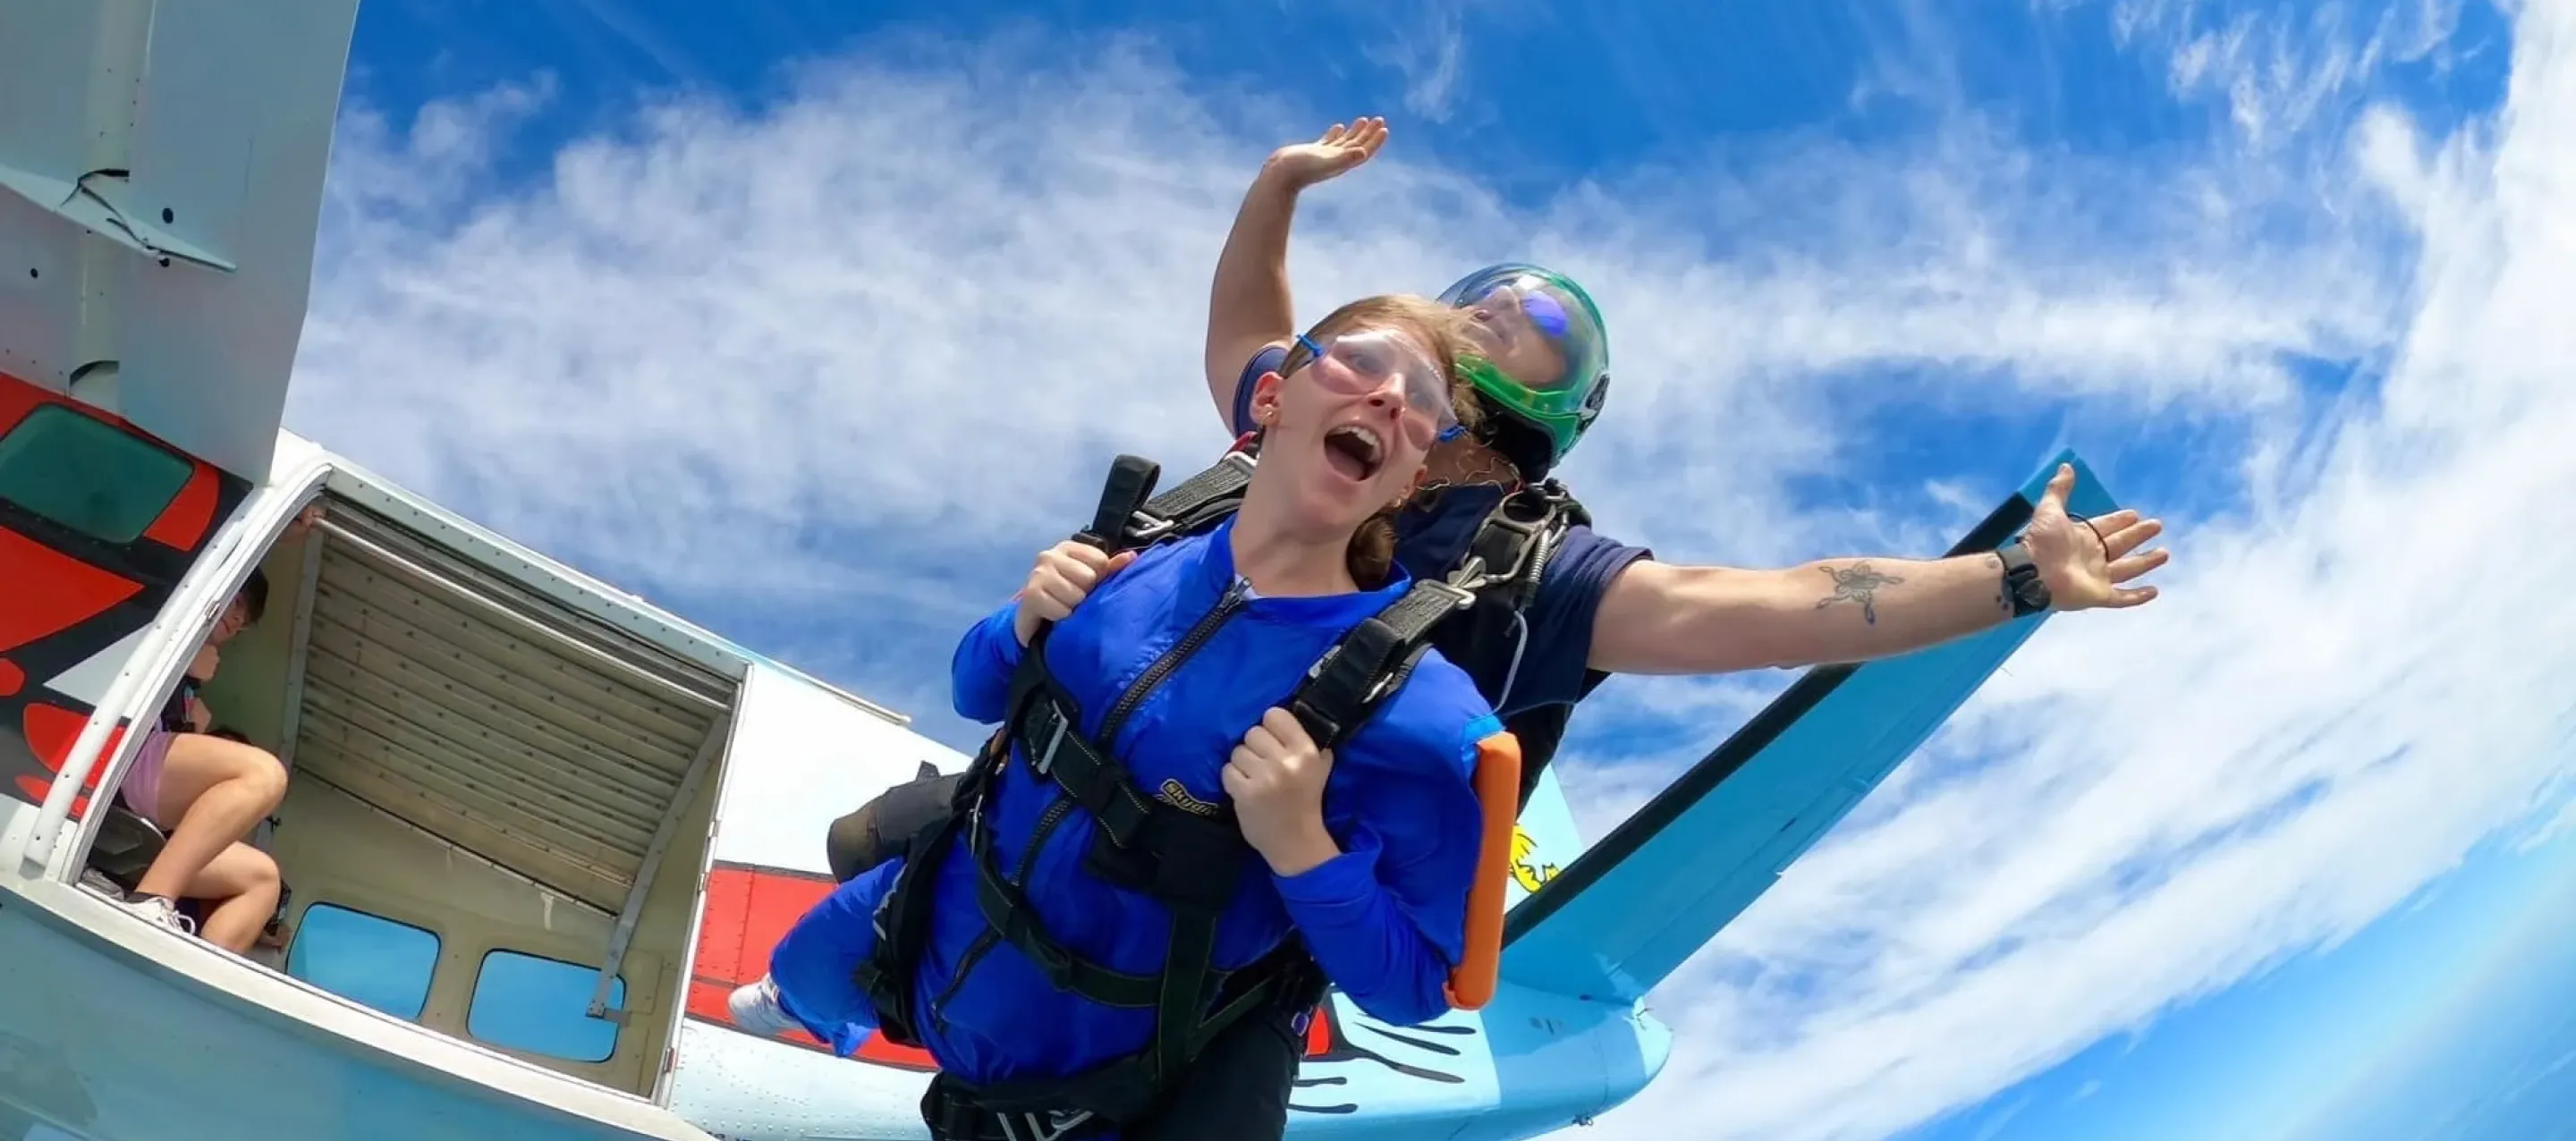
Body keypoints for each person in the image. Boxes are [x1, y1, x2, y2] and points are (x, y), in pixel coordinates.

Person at [735, 295, 1512, 1141]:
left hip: (1089, 1091)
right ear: (1271, 399)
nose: (1390, 396)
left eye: (1423, 401)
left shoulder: (1420, 714)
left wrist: (1303, 849)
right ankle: (804, 1005)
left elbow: (1417, 987)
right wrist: (1020, 621)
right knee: (798, 973)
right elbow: (976, 693)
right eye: (1359, 360)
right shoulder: (1138, 549)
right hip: (918, 936)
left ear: (1410, 481)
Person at [110, 571, 292, 953]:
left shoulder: (196, 683)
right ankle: (151, 902)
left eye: (244, 621)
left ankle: (182, 968)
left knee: (263, 878)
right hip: (116, 761)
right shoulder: (163, 616)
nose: (238, 620)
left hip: (152, 825)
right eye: (237, 604)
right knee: (264, 774)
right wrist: (180, 658)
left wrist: (192, 723)